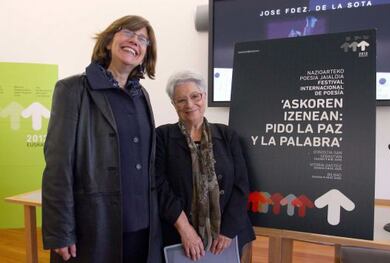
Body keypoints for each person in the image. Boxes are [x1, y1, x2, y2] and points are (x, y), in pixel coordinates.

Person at [42, 15, 162, 263]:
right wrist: (60, 232)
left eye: (143, 39)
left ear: (145, 53)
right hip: (96, 228)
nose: (135, 41)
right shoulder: (72, 90)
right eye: (128, 32)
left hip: (143, 228)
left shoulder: (143, 96)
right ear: (108, 41)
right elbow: (58, 166)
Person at [156, 70, 255, 262]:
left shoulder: (227, 135)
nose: (190, 104)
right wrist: (185, 229)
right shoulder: (162, 137)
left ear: (205, 97)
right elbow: (159, 186)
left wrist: (227, 230)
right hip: (178, 236)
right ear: (173, 104)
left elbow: (241, 185)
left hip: (229, 236)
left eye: (195, 96)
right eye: (181, 100)